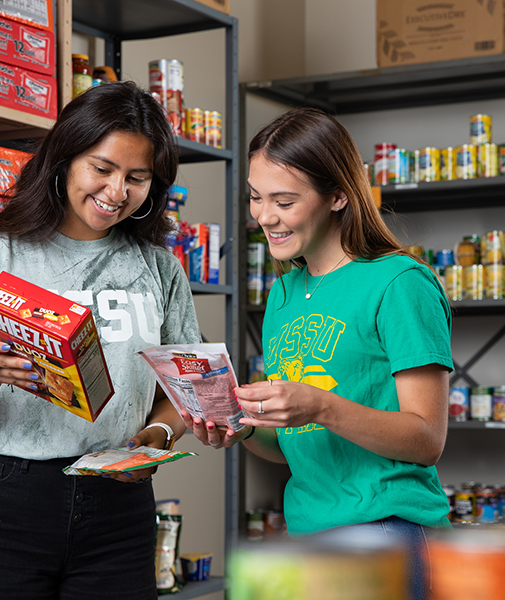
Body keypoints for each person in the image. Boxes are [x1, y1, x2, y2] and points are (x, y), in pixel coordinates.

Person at [181, 107, 453, 599]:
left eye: (284, 200)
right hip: (306, 532)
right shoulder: (283, 296)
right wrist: (237, 428)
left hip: (384, 531)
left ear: (338, 195)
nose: (264, 216)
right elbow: (293, 443)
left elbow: (426, 438)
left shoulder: (399, 283)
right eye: (256, 197)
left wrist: (320, 405)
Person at [0, 81, 201, 600]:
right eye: (102, 169)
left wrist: (159, 438)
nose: (117, 192)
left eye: (137, 178)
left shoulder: (159, 267)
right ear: (65, 158)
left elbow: (182, 393)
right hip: (3, 499)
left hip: (118, 501)